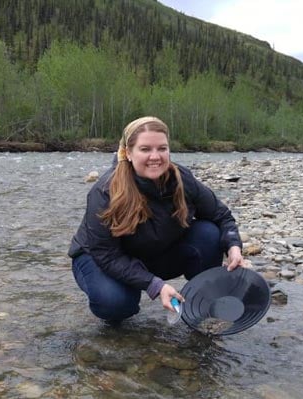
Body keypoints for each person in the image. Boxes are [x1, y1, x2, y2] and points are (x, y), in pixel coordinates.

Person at [68, 116, 244, 322]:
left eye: (162, 148)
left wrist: (233, 247)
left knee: (209, 233)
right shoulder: (105, 191)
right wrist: (155, 285)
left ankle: (202, 301)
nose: (155, 156)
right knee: (116, 303)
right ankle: (120, 308)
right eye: (145, 149)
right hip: (100, 259)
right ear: (128, 153)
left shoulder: (182, 179)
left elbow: (221, 215)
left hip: (152, 252)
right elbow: (106, 254)